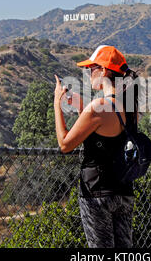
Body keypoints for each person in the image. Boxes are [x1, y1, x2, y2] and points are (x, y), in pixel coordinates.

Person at [53, 45, 139, 248]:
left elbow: (65, 144)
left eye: (92, 68)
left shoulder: (97, 108)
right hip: (123, 192)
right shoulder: (129, 106)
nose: (89, 73)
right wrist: (79, 103)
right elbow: (105, 125)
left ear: (104, 70)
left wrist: (57, 103)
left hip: (97, 193)